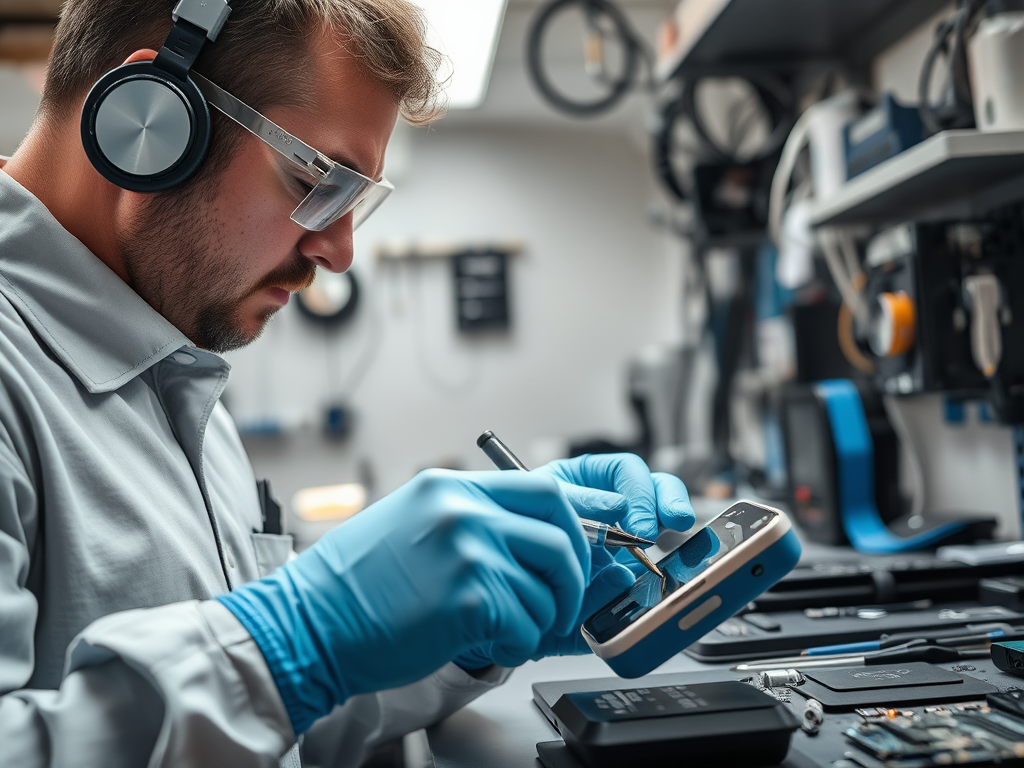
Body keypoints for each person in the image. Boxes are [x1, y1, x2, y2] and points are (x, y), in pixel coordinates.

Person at [0, 1, 696, 766]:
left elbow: (264, 728)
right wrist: (298, 638)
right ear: (149, 119)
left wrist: (460, 629)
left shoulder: (175, 372)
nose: (338, 252)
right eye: (313, 177)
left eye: (354, 199)